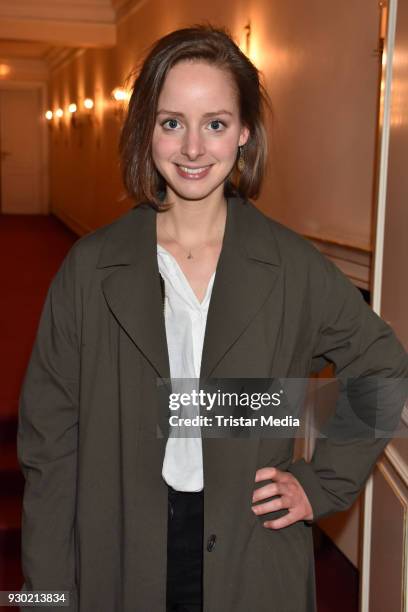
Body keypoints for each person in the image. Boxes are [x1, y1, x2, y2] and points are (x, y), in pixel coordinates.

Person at [17, 24, 407, 612]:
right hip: (118, 548)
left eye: (216, 124)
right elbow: (49, 448)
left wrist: (319, 481)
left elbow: (381, 364)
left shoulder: (289, 265)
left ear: (244, 132)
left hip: (251, 553)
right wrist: (44, 599)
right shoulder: (90, 268)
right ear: (146, 128)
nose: (194, 149)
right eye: (172, 122)